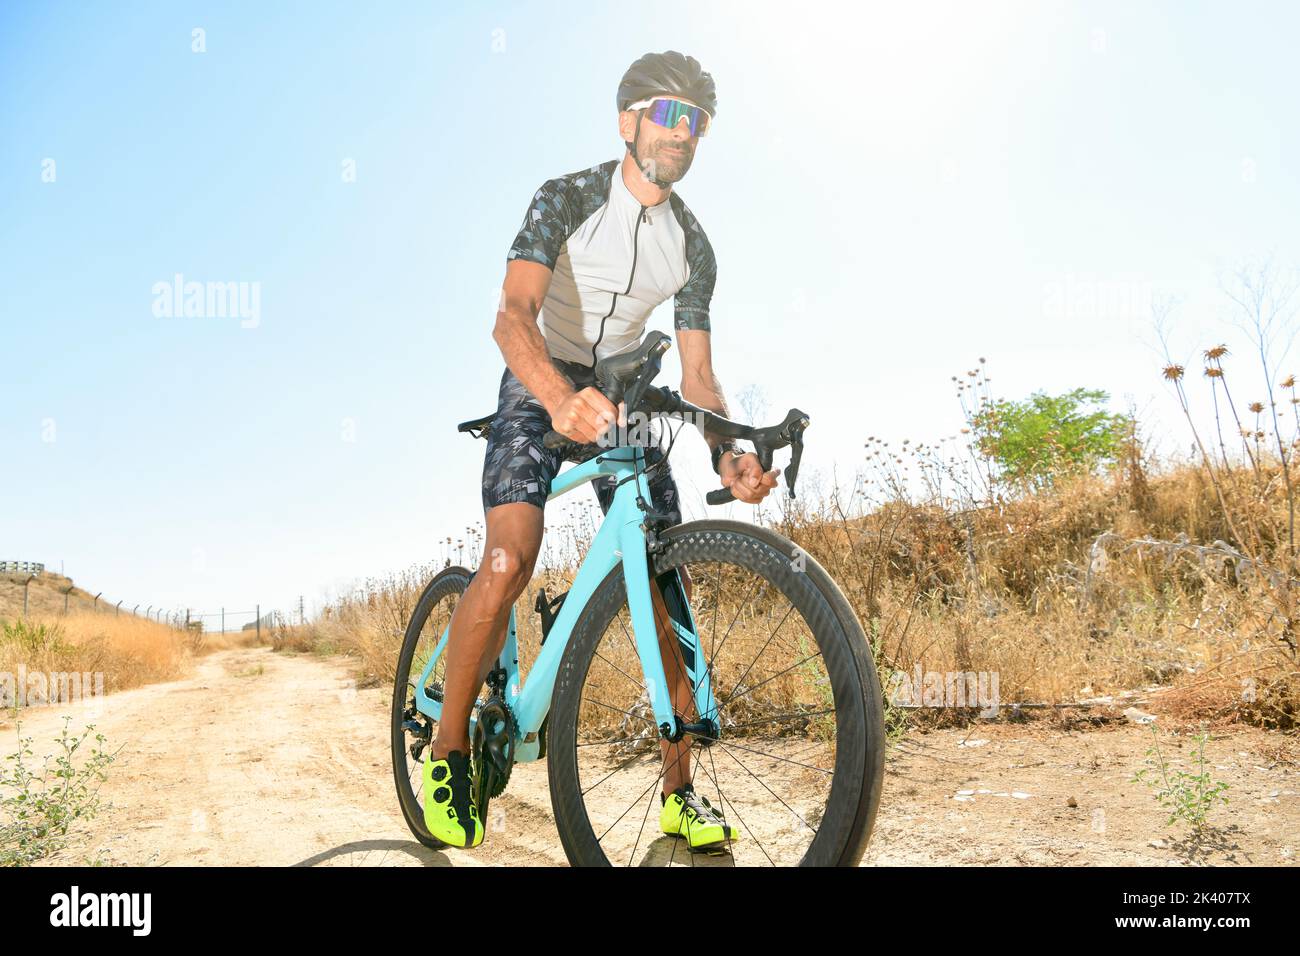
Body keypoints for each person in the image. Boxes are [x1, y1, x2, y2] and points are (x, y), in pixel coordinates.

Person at [423, 50, 780, 851]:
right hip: (539, 377)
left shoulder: (693, 246)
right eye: (666, 113)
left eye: (695, 121)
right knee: (512, 556)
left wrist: (727, 449)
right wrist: (556, 396)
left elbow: (699, 377)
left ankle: (679, 794)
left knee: (664, 584)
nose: (680, 132)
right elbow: (511, 316)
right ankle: (445, 753)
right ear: (629, 122)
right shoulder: (567, 198)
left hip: (624, 395)